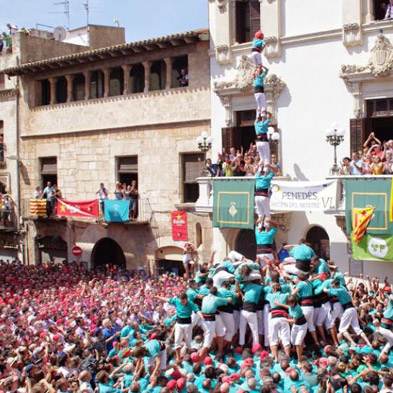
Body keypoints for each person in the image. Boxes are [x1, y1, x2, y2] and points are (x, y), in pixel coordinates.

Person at [255, 163, 278, 227]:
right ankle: (266, 228)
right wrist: (269, 165)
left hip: (256, 197)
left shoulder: (257, 177)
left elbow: (257, 170)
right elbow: (276, 170)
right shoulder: (267, 177)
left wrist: (260, 166)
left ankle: (259, 227)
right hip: (263, 196)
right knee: (267, 215)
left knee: (260, 215)